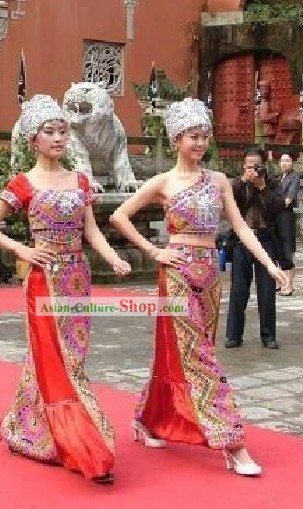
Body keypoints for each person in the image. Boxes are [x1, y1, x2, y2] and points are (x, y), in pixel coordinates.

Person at [110, 98, 286, 476]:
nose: (200, 143)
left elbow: (239, 228)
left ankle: (148, 419)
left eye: (205, 136)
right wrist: (154, 252)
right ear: (176, 139)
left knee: (183, 352)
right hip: (175, 273)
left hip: (210, 275)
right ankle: (232, 441)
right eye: (193, 136)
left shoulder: (219, 180)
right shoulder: (163, 182)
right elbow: (119, 215)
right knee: (201, 357)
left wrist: (272, 265)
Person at [0, 94, 131, 484]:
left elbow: (91, 230)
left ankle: (30, 425)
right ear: (33, 139)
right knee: (54, 357)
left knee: (74, 355)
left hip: (78, 277)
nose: (59, 137)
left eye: (63, 130)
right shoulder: (23, 183)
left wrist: (112, 258)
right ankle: (82, 443)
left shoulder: (80, 180)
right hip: (42, 280)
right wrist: (23, 249)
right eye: (50, 131)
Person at [226, 148, 285, 349]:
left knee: (267, 291)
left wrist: (262, 187)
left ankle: (268, 335)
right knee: (238, 291)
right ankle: (234, 335)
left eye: (256, 165)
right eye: (249, 165)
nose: (253, 169)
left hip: (266, 240)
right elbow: (228, 202)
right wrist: (244, 180)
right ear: (244, 165)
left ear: (264, 166)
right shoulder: (237, 184)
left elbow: (278, 207)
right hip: (242, 242)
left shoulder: (273, 183)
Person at [275, 153, 300, 296]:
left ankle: (289, 285)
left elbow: (288, 200)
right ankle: (282, 282)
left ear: (292, 162)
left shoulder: (294, 178)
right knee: (278, 249)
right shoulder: (278, 178)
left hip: (286, 216)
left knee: (287, 249)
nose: (284, 163)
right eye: (282, 160)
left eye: (287, 160)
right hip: (277, 216)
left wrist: (274, 204)